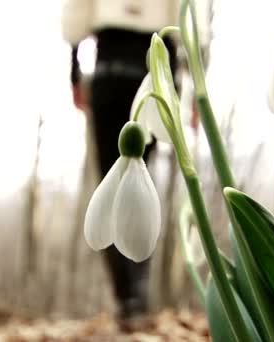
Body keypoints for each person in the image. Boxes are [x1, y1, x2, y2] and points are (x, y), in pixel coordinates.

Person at [61, 0, 180, 320]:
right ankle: (136, 295)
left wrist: (74, 74)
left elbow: (75, 16)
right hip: (148, 72)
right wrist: (176, 88)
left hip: (109, 73)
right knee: (139, 177)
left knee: (112, 182)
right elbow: (178, 21)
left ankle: (126, 297)